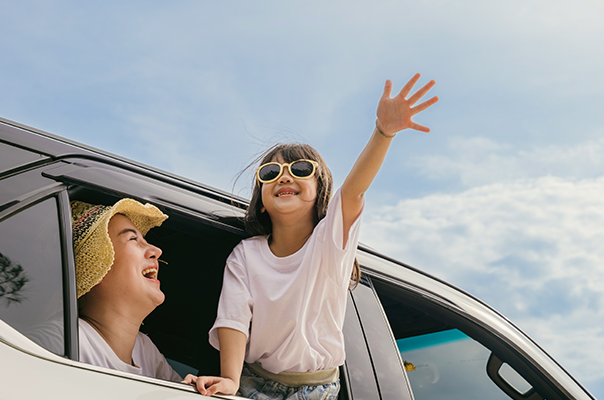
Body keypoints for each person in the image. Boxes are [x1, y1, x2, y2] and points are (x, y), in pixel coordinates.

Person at [183, 73, 439, 398]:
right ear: (260, 202)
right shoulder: (246, 254)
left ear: (321, 193)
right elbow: (232, 320)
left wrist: (383, 132)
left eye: (301, 170)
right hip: (253, 381)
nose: (284, 177)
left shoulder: (329, 243)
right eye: (270, 173)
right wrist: (230, 380)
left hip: (315, 389)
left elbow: (354, 192)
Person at [71, 198, 181, 382]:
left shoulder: (146, 350)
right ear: (98, 268)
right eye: (133, 239)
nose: (156, 250)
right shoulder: (63, 339)